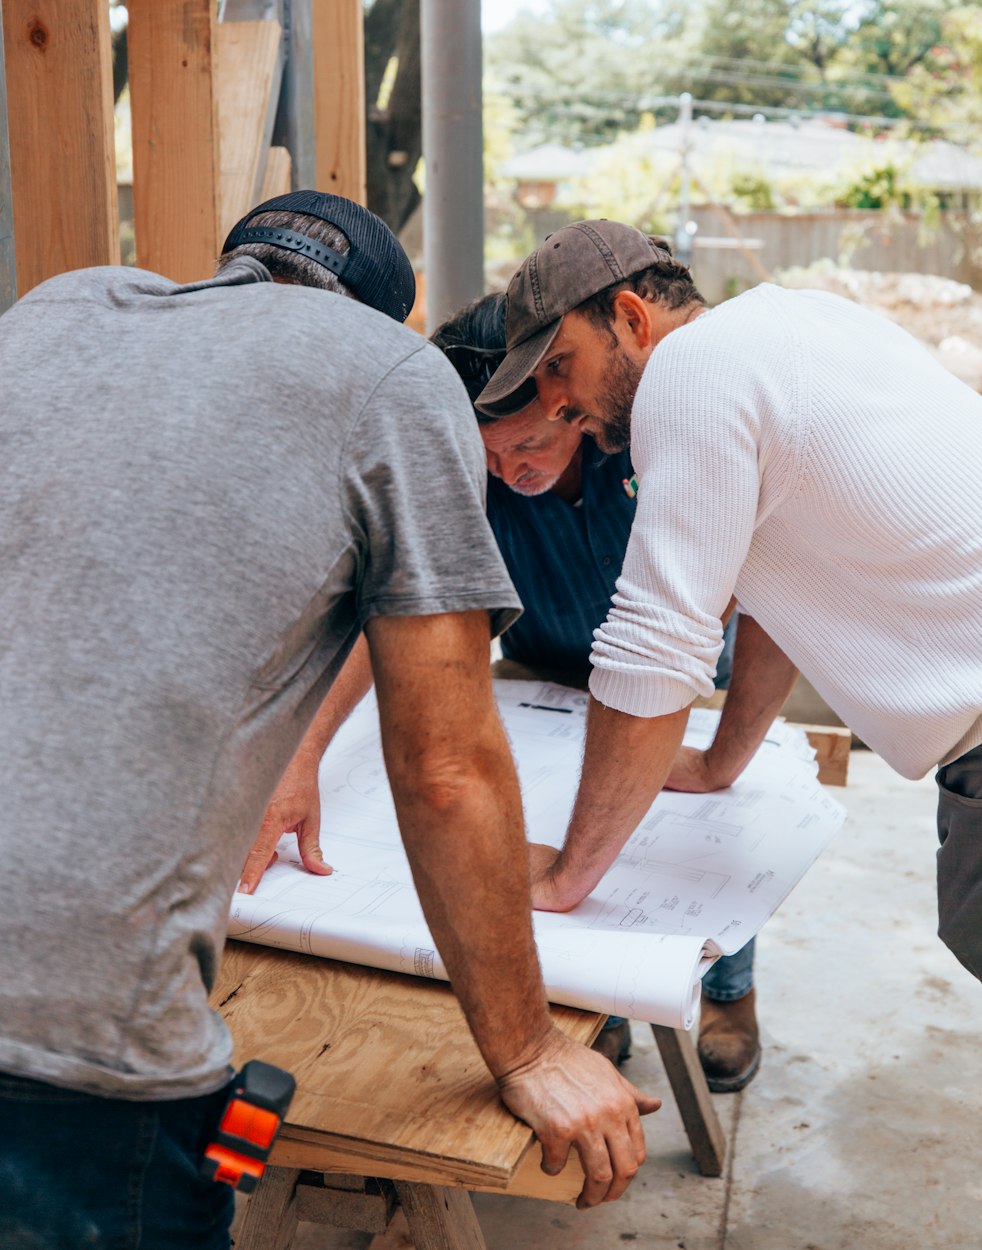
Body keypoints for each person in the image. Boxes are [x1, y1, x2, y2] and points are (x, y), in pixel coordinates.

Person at [0, 193, 659, 1248]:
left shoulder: (53, 314)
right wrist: (530, 1050)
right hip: (70, 1040)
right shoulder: (388, 375)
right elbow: (446, 768)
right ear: (377, 318)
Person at [475, 218, 982, 1023]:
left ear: (631, 317)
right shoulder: (801, 320)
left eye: (560, 365)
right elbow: (764, 601)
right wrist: (721, 762)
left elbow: (657, 645)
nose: (555, 400)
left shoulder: (689, 373)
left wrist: (565, 878)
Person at [429, 293, 759, 1092]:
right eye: (493, 458)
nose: (515, 472)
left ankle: (727, 992)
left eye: (530, 444)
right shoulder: (481, 476)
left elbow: (757, 596)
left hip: (684, 675)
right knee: (562, 820)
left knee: (707, 823)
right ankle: (602, 1010)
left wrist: (723, 750)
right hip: (547, 669)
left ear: (564, 401)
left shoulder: (648, 437)